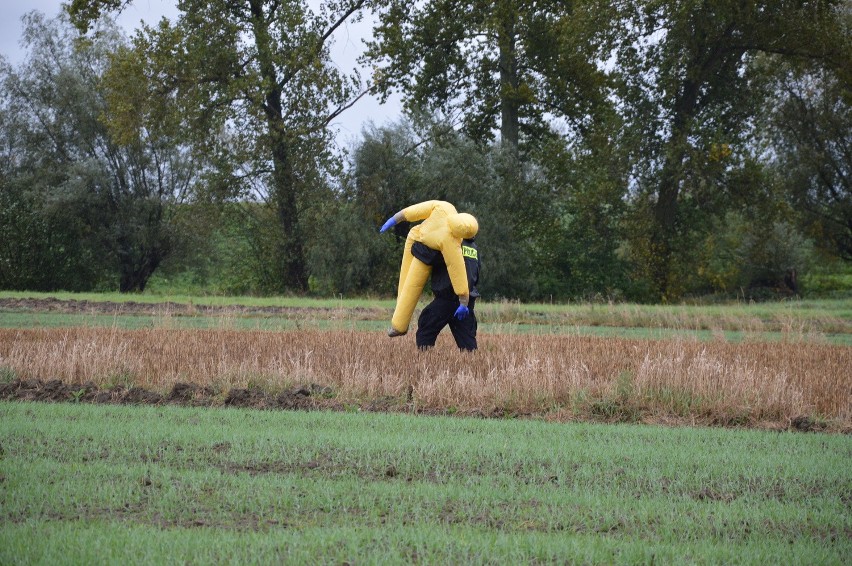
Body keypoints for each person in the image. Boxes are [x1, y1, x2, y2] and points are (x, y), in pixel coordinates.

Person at [379, 200, 478, 337]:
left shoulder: (445, 207)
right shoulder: (453, 242)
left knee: (408, 287)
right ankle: (399, 326)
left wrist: (395, 218)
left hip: (417, 242)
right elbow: (458, 271)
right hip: (421, 247)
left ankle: (399, 325)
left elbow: (417, 210)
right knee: (410, 288)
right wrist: (463, 300)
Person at [415, 237, 480, 351]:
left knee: (426, 329)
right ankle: (472, 366)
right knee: (468, 343)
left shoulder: (450, 242)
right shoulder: (473, 247)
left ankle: (424, 363)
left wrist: (415, 244)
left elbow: (430, 257)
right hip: (466, 301)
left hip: (447, 298)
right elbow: (477, 271)